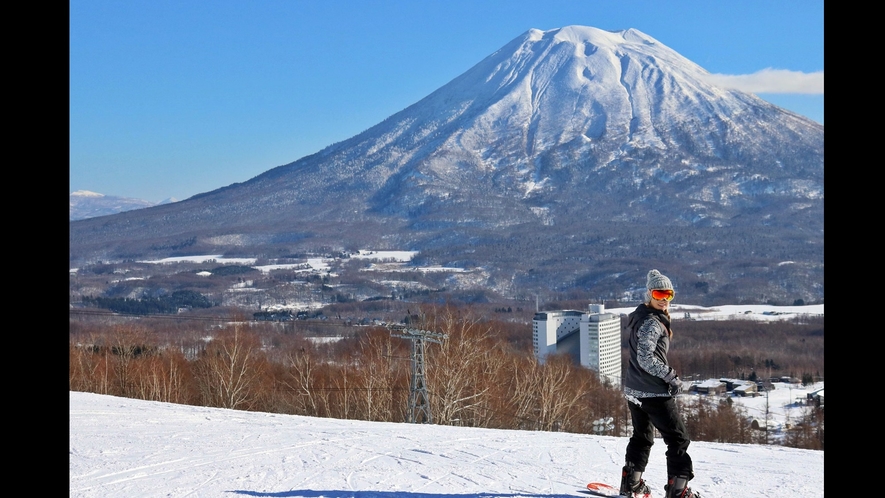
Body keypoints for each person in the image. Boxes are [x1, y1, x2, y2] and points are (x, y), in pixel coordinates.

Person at [619, 269, 700, 498]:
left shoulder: (640, 315)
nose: (664, 299)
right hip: (651, 391)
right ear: (649, 294)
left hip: (634, 389)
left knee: (642, 436)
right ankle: (678, 491)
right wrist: (670, 376)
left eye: (668, 294)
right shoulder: (652, 323)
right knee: (678, 439)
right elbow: (646, 358)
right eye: (658, 293)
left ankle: (631, 484)